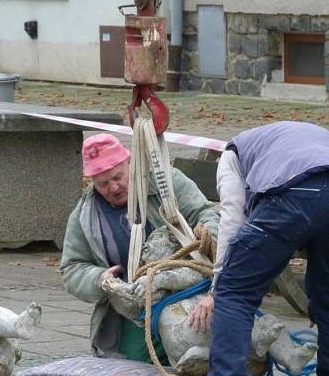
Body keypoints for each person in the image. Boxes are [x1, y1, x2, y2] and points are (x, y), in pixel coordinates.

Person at [186, 121, 329, 376]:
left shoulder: (233, 154)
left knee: (236, 293)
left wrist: (219, 285)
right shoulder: (316, 139)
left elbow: (232, 219)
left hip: (291, 192)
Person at [60, 133, 219, 363]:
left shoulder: (166, 183)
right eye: (103, 183)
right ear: (92, 182)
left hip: (190, 288)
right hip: (137, 308)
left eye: (118, 177)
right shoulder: (85, 215)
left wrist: (209, 234)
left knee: (202, 341)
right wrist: (99, 279)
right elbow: (71, 267)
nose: (114, 187)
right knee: (133, 362)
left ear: (130, 163)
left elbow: (206, 212)